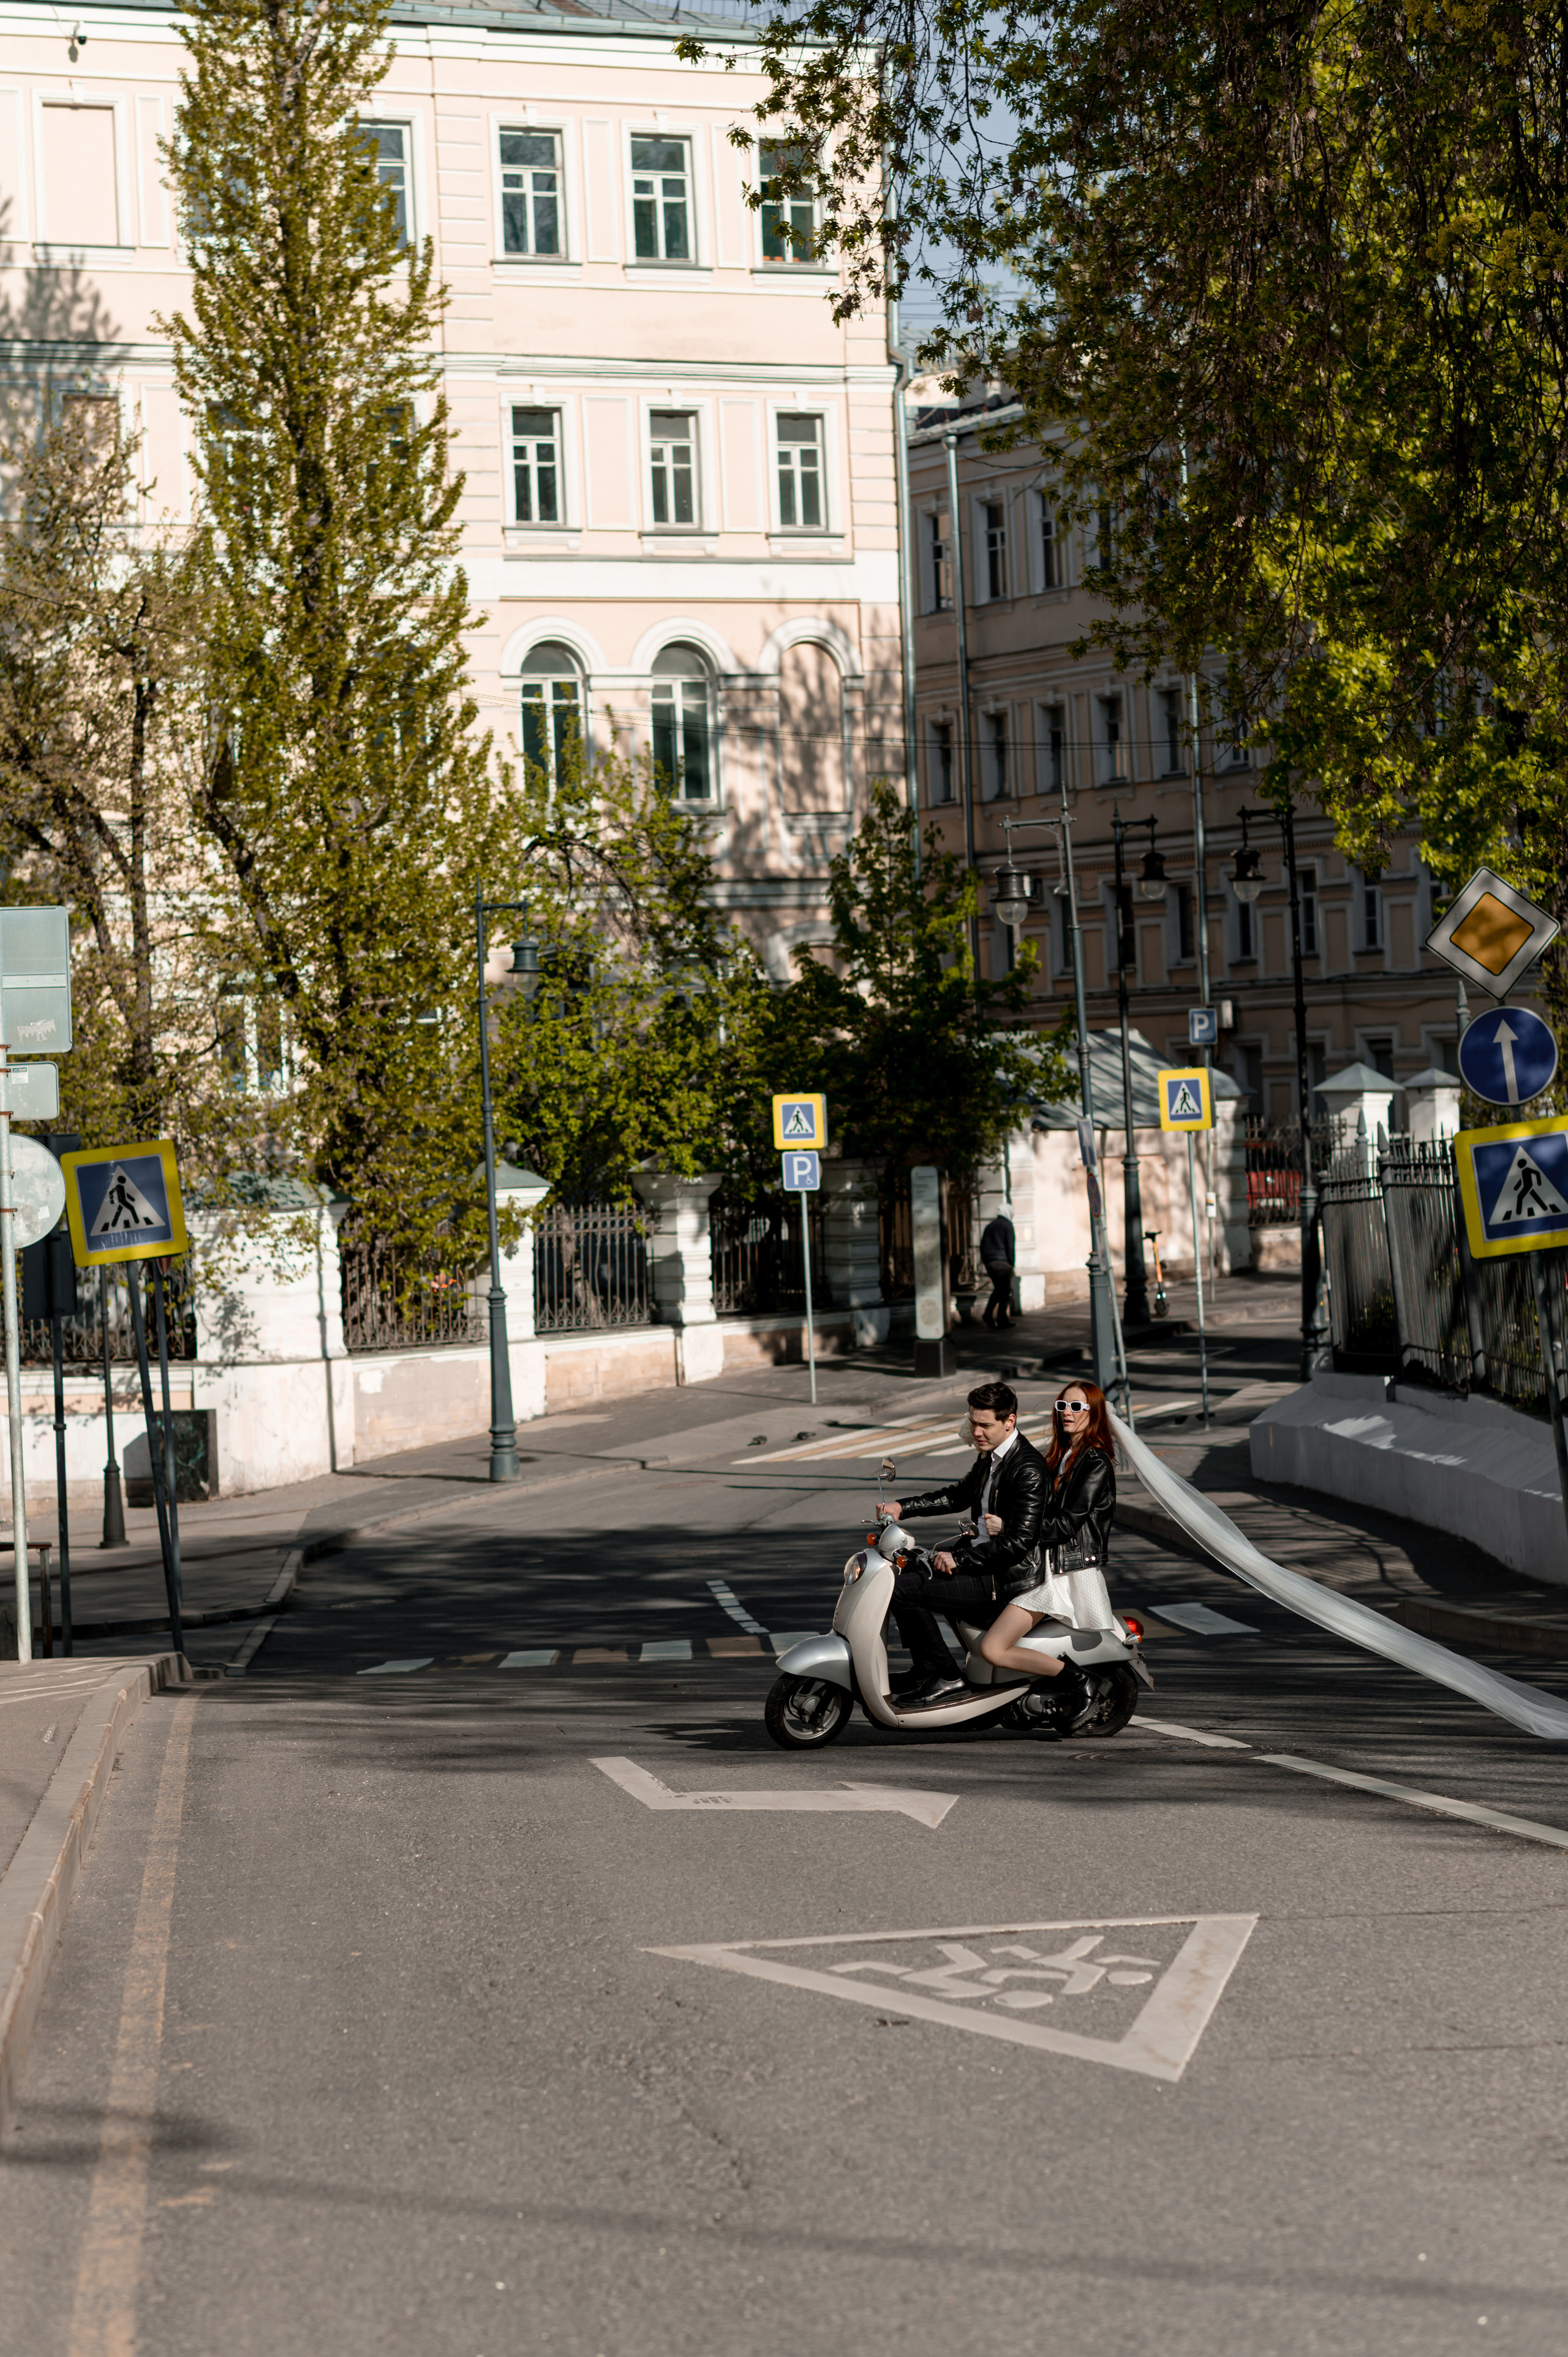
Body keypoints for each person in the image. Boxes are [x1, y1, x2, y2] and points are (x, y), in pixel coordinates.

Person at [878, 1379, 1061, 1706]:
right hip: (984, 1563)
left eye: (985, 1425)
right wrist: (902, 1507)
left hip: (1004, 1578)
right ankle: (926, 1670)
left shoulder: (1028, 1469)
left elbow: (1019, 1542)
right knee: (898, 1578)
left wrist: (959, 1561)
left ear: (1010, 1422)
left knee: (903, 1590)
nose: (976, 1431)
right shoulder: (991, 1457)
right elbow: (958, 1495)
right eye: (973, 1422)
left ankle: (945, 1677)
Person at [976, 1380, 1115, 1725]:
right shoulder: (1062, 1454)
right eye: (1062, 1406)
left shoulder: (1094, 1460)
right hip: (1043, 1561)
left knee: (994, 1647)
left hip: (1062, 1572)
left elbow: (1067, 1525)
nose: (1068, 1413)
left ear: (1093, 1413)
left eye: (1077, 1408)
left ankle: (1080, 1680)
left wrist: (1009, 1527)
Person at [979, 1209, 1016, 1330]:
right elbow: (1010, 1246)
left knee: (999, 1290)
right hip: (1003, 1263)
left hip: (990, 1263)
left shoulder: (990, 1226)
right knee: (1004, 1291)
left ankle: (990, 1315)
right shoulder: (1008, 1226)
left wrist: (986, 1261)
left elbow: (982, 1245)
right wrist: (1011, 1263)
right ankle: (1000, 1318)